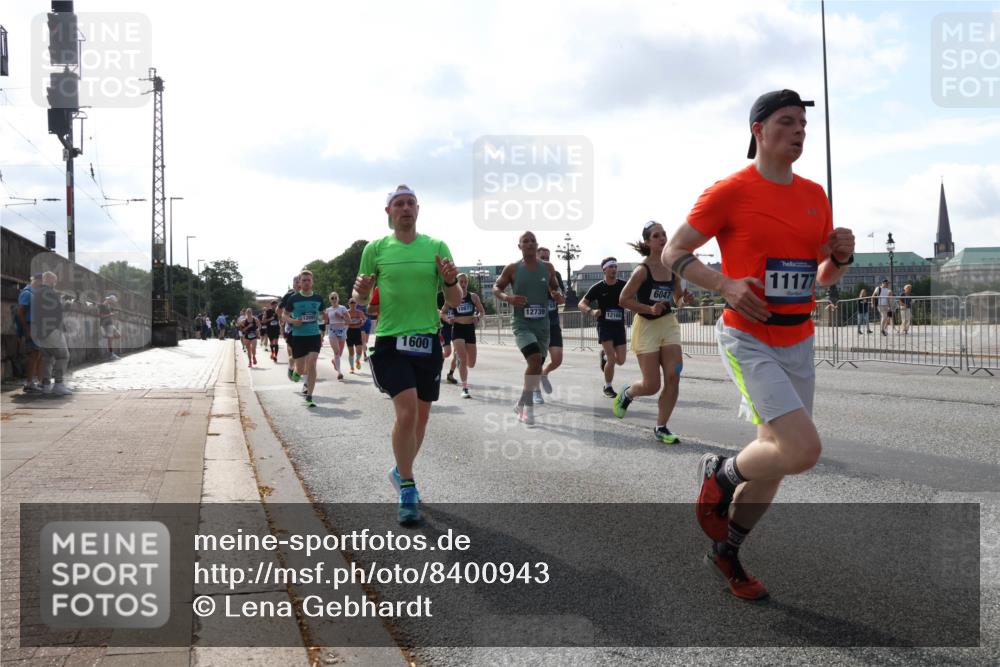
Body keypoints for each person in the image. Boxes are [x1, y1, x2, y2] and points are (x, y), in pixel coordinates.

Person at [663, 89, 855, 600]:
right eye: (788, 122)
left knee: (780, 461)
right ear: (759, 131)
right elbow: (675, 252)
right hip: (747, 339)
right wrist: (725, 284)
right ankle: (721, 472)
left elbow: (821, 277)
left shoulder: (815, 194)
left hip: (799, 340)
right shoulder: (730, 191)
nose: (799, 132)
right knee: (802, 450)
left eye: (803, 126)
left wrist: (839, 259)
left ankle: (727, 552)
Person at [353, 184, 461, 524]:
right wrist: (358, 293)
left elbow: (455, 302)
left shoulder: (437, 247)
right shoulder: (375, 249)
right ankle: (408, 487)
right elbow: (361, 297)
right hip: (389, 341)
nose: (405, 208)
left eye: (411, 203)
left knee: (422, 418)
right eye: (398, 203)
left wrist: (450, 282)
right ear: (388, 212)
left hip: (426, 341)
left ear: (418, 209)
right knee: (408, 412)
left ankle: (400, 470)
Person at [612, 223, 694, 444]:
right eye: (656, 236)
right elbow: (623, 299)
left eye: (664, 234)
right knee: (652, 385)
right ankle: (628, 393)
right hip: (646, 326)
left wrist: (684, 300)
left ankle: (661, 427)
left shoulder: (673, 267)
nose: (662, 238)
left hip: (668, 324)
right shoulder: (642, 270)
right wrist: (649, 308)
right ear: (647, 242)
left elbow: (676, 300)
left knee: (674, 375)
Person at [492, 231, 564, 427]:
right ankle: (528, 408)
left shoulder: (548, 268)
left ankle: (521, 402)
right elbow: (496, 288)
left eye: (533, 241)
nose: (530, 244)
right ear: (520, 246)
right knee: (533, 360)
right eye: (526, 241)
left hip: (543, 325)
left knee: (536, 367)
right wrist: (508, 298)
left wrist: (557, 295)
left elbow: (555, 288)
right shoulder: (513, 268)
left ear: (537, 244)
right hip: (522, 324)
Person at [580, 257, 628, 398]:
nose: (614, 269)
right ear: (604, 270)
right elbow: (581, 303)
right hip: (605, 326)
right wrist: (591, 311)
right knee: (613, 360)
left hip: (619, 326)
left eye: (615, 266)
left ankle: (605, 357)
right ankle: (608, 386)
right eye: (611, 267)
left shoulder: (624, 285)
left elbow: (633, 298)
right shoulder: (598, 287)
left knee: (621, 360)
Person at [283, 270, 325, 407]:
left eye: (309, 280)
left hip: (314, 335)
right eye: (304, 280)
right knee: (300, 370)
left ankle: (309, 396)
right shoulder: (294, 299)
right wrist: (293, 321)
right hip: (299, 337)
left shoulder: (318, 298)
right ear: (299, 283)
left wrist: (324, 317)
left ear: (312, 282)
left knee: (312, 363)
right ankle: (295, 371)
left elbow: (323, 314)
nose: (306, 282)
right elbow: (284, 315)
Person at [33, 271, 73, 396]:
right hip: (52, 330)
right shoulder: (50, 293)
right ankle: (58, 385)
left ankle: (45, 385)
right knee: (63, 356)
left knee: (47, 358)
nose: (55, 283)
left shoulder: (37, 293)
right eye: (54, 281)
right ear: (50, 280)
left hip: (41, 331)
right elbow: (58, 310)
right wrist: (68, 304)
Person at [446, 273, 486, 399]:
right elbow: (442, 313)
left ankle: (459, 358)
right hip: (457, 329)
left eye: (465, 282)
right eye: (460, 282)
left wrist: (478, 317)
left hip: (469, 330)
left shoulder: (473, 297)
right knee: (463, 359)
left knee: (471, 363)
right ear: (457, 283)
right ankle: (465, 388)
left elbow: (482, 311)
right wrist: (448, 319)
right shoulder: (452, 298)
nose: (463, 284)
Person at [536, 246, 566, 404]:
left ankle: (544, 373)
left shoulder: (556, 275)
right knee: (537, 360)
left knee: (557, 359)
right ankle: (535, 391)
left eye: (548, 257)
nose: (546, 260)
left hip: (553, 323)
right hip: (536, 325)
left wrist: (557, 295)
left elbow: (562, 300)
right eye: (542, 257)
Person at [15, 274, 44, 394]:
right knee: (33, 355)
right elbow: (20, 311)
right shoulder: (27, 293)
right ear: (38, 280)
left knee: (39, 355)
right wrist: (27, 328)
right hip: (31, 326)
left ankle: (40, 382)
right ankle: (29, 382)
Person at [279, 275, 302, 381]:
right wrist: (284, 319)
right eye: (296, 282)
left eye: (300, 281)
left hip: (306, 327)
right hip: (291, 327)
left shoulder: (308, 295)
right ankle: (292, 366)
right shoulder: (289, 296)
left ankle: (301, 373)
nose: (299, 284)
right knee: (294, 353)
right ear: (293, 284)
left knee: (305, 353)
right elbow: (278, 310)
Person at [325, 292, 349, 380]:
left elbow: (349, 320)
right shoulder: (328, 310)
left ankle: (334, 361)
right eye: (332, 298)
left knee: (339, 353)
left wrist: (341, 316)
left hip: (342, 331)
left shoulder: (343, 308)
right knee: (337, 351)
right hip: (332, 331)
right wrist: (323, 315)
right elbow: (325, 321)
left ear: (338, 299)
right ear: (330, 300)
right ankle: (339, 372)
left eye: (335, 298)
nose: (334, 299)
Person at [344, 298, 367, 374]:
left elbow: (364, 319)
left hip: (357, 331)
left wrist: (362, 322)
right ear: (349, 304)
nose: (353, 304)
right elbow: (343, 321)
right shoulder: (346, 312)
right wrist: (347, 322)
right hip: (349, 332)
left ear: (356, 304)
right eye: (351, 303)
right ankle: (352, 368)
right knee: (351, 352)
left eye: (354, 303)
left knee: (359, 350)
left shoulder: (359, 312)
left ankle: (357, 360)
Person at [98, 295, 122, 360]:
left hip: (110, 324)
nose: (113, 303)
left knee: (118, 335)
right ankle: (111, 354)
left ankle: (107, 338)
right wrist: (111, 314)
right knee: (110, 340)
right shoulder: (103, 305)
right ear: (110, 300)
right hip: (106, 324)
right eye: (113, 301)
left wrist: (112, 313)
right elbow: (101, 316)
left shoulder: (108, 305)